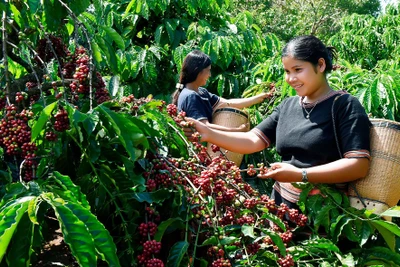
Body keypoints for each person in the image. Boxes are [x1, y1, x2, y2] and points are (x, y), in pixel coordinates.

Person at [183, 35, 371, 209]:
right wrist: (207, 133)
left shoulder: (345, 105)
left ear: (320, 65)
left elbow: (358, 165)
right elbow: (252, 140)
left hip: (325, 216)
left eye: (298, 70)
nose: (290, 79)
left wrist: (301, 175)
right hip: (282, 211)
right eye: (287, 72)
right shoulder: (287, 106)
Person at [171, 50, 269, 132]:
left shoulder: (201, 92)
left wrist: (259, 97)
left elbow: (228, 103)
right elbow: (205, 127)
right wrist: (236, 130)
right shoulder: (191, 96)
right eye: (208, 70)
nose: (209, 75)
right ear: (198, 71)